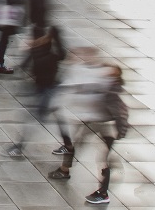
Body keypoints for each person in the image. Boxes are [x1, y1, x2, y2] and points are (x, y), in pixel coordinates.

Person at [48, 50, 129, 205]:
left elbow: (121, 113)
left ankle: (103, 193)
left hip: (106, 126)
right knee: (76, 144)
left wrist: (121, 131)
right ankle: (64, 170)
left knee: (103, 159)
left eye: (110, 73)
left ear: (115, 77)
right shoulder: (101, 83)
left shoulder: (112, 91)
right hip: (92, 121)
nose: (105, 74)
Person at [5, 24, 66, 158]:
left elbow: (26, 64)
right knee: (56, 117)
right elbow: (25, 64)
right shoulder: (42, 52)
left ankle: (20, 147)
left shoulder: (48, 55)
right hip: (43, 89)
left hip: (48, 90)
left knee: (34, 118)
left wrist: (55, 35)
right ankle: (68, 145)